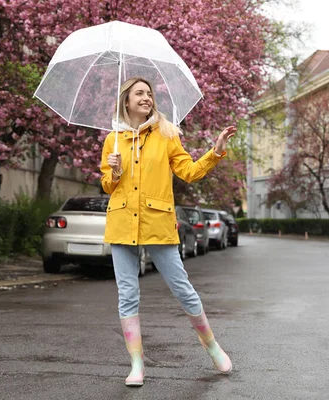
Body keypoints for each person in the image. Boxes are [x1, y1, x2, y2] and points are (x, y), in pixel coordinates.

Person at [100, 77, 236, 387]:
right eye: (139, 93)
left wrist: (215, 152)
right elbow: (108, 185)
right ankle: (137, 364)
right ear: (126, 101)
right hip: (122, 223)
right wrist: (115, 171)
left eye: (149, 93)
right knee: (127, 296)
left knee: (183, 289)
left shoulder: (166, 134)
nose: (147, 98)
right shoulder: (113, 140)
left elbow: (188, 172)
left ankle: (213, 347)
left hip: (158, 223)